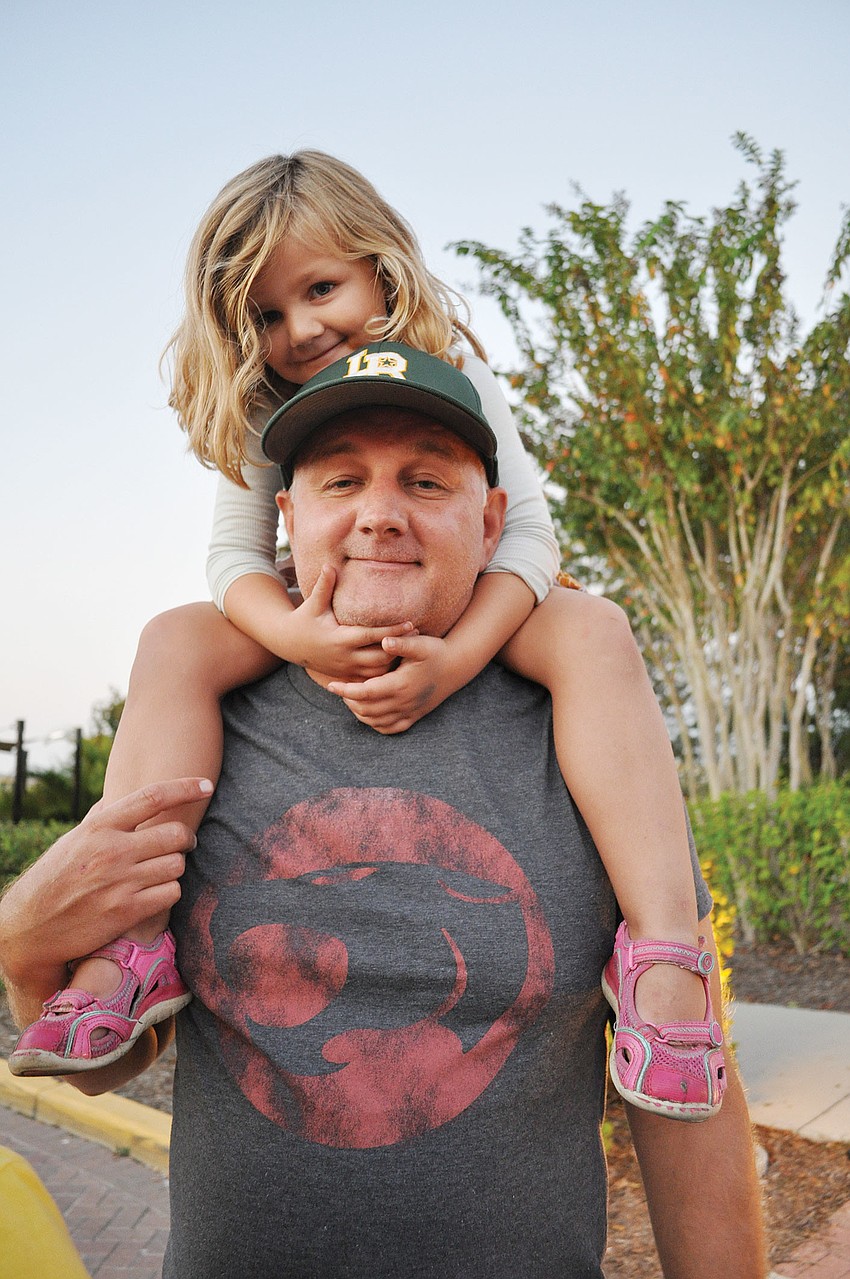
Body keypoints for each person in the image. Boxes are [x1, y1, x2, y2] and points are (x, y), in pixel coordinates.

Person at [0, 350, 766, 1276]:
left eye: (425, 478)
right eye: (342, 479)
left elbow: (685, 1083)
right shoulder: (195, 718)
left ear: (491, 523)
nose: (379, 513)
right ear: (287, 519)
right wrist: (21, 944)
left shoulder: (591, 730)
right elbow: (99, 1062)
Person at [11, 153, 717, 1120]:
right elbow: (234, 563)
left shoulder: (460, 371)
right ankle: (127, 943)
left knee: (591, 626)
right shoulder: (267, 403)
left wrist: (459, 656)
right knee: (176, 638)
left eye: (321, 289)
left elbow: (531, 534)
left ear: (383, 270)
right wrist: (300, 638)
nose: (299, 329)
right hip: (315, 607)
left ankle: (666, 951)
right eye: (265, 314)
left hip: (485, 595)